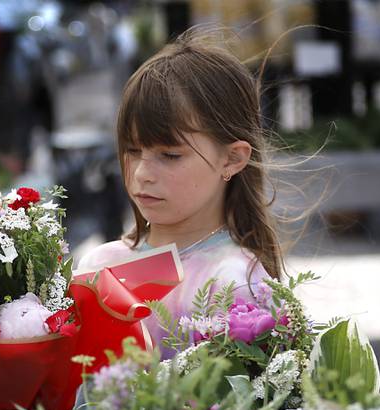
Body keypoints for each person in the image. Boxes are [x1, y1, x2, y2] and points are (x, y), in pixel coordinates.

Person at [77, 29, 286, 356]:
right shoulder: (98, 265)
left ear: (232, 158)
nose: (143, 174)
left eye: (170, 155)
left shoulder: (236, 281)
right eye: (132, 150)